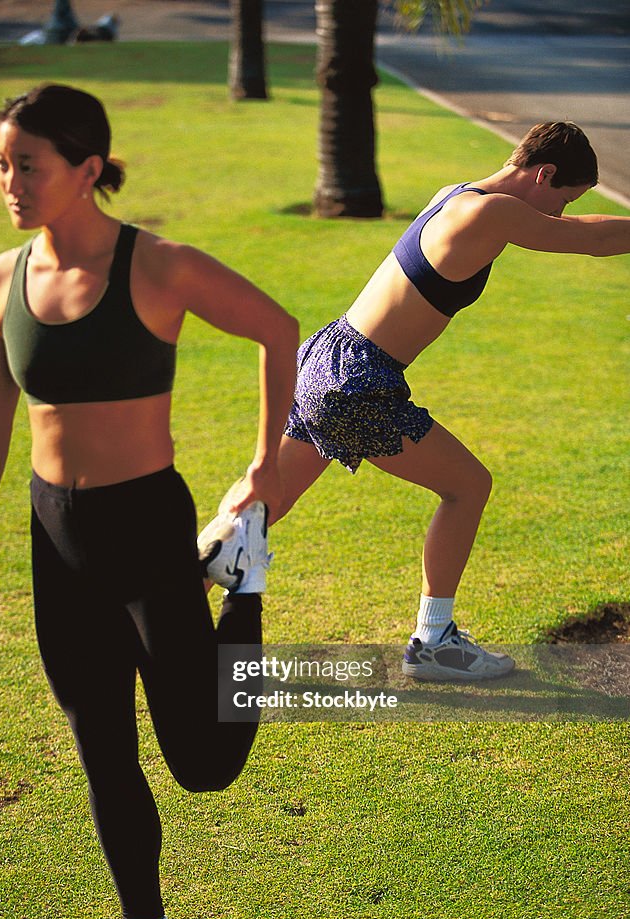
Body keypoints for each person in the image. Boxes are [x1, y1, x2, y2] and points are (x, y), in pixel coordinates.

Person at [0, 83, 298, 919]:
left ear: (88, 169)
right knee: (101, 744)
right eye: (2, 165)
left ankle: (244, 590)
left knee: (202, 761)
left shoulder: (159, 268)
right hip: (54, 535)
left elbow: (277, 329)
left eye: (30, 165)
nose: (11, 182)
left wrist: (264, 462)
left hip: (146, 527)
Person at [220, 121, 627, 681]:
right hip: (358, 380)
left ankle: (161, 611)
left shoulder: (454, 194)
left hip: (327, 357)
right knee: (468, 487)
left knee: (263, 506)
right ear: (545, 173)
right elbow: (590, 238)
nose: (557, 212)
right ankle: (433, 641)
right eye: (562, 197)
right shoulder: (490, 214)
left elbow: (578, 226)